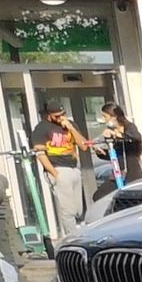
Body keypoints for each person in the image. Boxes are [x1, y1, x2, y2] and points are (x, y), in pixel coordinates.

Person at [31, 105, 92, 244]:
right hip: (58, 168)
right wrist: (54, 173)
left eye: (62, 114)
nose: (60, 118)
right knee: (68, 209)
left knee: (78, 209)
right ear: (49, 115)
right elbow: (40, 153)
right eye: (57, 116)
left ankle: (78, 234)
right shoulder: (42, 128)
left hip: (73, 168)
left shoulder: (69, 124)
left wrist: (71, 128)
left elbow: (83, 145)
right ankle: (74, 240)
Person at [96, 102, 142, 189]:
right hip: (118, 170)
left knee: (131, 194)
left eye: (105, 116)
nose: (104, 119)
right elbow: (116, 154)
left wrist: (117, 135)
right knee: (100, 195)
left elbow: (135, 137)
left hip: (131, 169)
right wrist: (102, 153)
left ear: (114, 117)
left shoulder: (129, 127)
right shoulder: (111, 130)